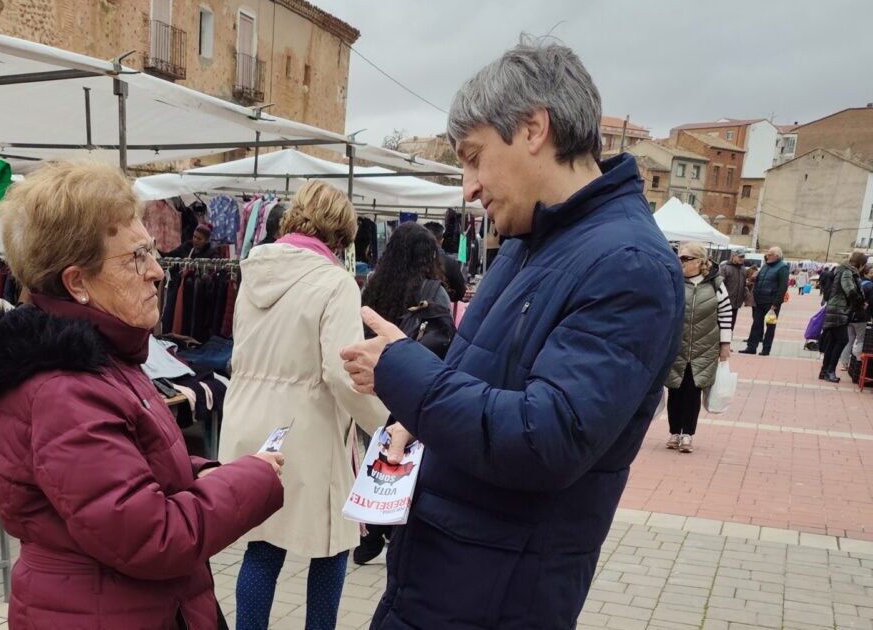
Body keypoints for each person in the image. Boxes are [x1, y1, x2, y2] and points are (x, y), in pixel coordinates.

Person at [339, 37, 683, 629]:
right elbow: (485, 385)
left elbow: (544, 438)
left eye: (473, 156)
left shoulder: (628, 265)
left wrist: (401, 371)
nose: (467, 187)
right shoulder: (530, 244)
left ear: (532, 128)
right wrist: (416, 423)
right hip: (452, 574)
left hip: (498, 596)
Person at [0, 161, 285, 629]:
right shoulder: (63, 390)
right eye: (137, 257)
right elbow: (152, 535)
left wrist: (219, 472)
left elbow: (134, 466)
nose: (158, 271)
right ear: (77, 283)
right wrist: (252, 481)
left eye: (153, 252)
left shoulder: (103, 358)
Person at [218, 181, 390, 630]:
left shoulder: (253, 271)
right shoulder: (335, 282)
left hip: (249, 426)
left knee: (264, 544)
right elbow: (341, 370)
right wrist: (385, 421)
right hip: (309, 432)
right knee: (332, 544)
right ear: (342, 236)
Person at [353, 222, 456, 565]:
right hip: (413, 382)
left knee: (374, 454)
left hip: (372, 383)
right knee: (405, 458)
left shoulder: (373, 287)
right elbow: (444, 341)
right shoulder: (432, 289)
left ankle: (371, 531)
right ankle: (396, 528)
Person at [665, 243, 733, 454]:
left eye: (685, 258)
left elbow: (725, 316)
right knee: (675, 389)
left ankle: (688, 434)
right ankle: (674, 431)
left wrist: (725, 346)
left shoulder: (716, 284)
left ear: (698, 261)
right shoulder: (675, 282)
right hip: (677, 347)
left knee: (693, 391)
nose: (680, 262)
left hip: (705, 348)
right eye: (680, 258)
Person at [819, 251, 868, 382]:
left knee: (834, 341)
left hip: (838, 309)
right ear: (861, 264)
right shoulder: (847, 271)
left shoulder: (844, 270)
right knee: (842, 340)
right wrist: (860, 302)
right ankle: (829, 371)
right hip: (839, 310)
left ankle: (825, 371)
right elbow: (850, 290)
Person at [740, 247, 790, 356]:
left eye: (770, 254)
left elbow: (783, 287)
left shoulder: (783, 268)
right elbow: (758, 280)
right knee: (756, 325)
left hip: (771, 302)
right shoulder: (765, 265)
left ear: (777, 256)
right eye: (767, 254)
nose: (767, 256)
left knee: (770, 326)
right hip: (759, 300)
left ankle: (766, 349)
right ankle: (751, 347)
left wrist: (776, 303)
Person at [424, 220, 469, 302]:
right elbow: (460, 293)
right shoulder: (450, 263)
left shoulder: (410, 260)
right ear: (442, 240)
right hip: (441, 309)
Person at [840, 263, 872, 371]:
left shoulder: (856, 282)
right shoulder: (870, 286)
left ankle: (844, 363)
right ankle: (858, 362)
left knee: (849, 340)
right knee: (861, 340)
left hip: (850, 315)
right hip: (862, 317)